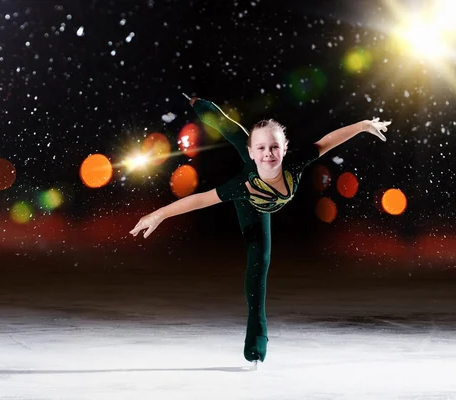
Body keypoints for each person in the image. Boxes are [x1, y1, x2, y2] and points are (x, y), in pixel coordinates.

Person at [129, 95, 390, 367]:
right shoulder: (242, 185)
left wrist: (362, 125)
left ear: (285, 149)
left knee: (236, 133)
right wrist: (159, 214)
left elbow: (327, 142)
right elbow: (201, 199)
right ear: (253, 152)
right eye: (262, 148)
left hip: (264, 190)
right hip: (251, 204)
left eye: (275, 147)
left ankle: (206, 108)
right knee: (259, 260)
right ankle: (256, 338)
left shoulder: (293, 164)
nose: (269, 153)